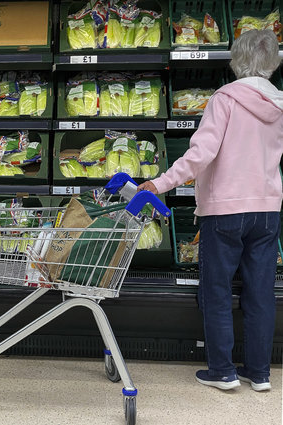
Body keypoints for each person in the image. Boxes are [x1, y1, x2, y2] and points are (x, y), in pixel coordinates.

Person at [138, 29, 283, 391]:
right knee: (260, 292)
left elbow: (200, 156)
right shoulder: (280, 103)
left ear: (237, 59)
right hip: (267, 210)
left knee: (217, 290)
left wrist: (159, 183)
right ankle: (260, 373)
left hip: (225, 211)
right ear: (274, 61)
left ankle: (222, 371)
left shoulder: (225, 99)